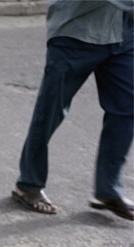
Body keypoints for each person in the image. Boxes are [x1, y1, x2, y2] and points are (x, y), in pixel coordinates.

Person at [12, 0, 133, 220]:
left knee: (127, 109)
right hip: (76, 32)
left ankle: (108, 191)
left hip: (124, 33)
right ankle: (28, 184)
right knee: (50, 111)